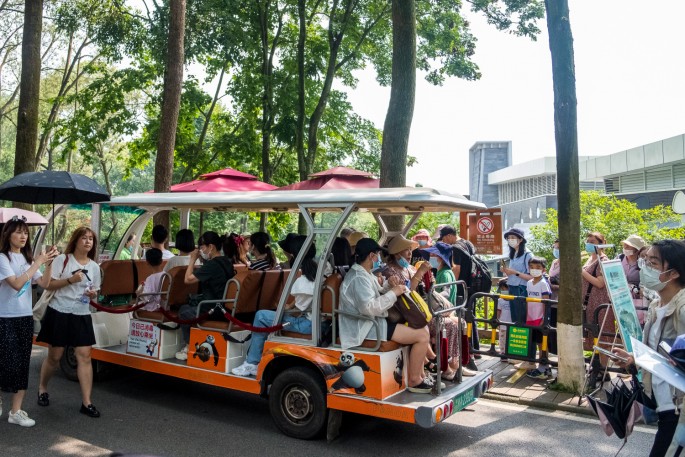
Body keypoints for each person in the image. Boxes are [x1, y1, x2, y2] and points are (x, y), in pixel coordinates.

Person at [613, 239, 685, 457]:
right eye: (645, 260)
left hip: (679, 409)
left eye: (653, 262)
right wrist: (635, 360)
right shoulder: (657, 305)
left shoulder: (683, 308)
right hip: (664, 405)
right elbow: (662, 354)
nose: (645, 267)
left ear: (673, 273)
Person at [339, 238, 432, 394]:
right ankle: (415, 380)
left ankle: (419, 375)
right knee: (422, 335)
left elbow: (377, 291)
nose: (379, 259)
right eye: (378, 255)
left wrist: (389, 285)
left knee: (421, 328)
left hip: (374, 322)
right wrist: (393, 292)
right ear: (371, 256)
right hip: (365, 327)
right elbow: (369, 308)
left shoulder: (364, 274)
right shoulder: (358, 278)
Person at [37, 227, 102, 418]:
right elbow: (49, 284)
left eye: (91, 239)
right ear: (75, 240)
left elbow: (95, 290)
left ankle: (86, 402)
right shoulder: (62, 260)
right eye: (84, 238)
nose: (88, 242)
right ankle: (42, 388)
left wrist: (93, 293)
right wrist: (71, 280)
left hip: (81, 313)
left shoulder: (94, 267)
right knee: (55, 357)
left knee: (85, 356)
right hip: (59, 312)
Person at [0, 217, 57, 427]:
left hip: (24, 317)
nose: (23, 236)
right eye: (18, 232)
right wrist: (38, 263)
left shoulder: (27, 259)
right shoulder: (2, 258)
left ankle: (16, 411)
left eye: (25, 232)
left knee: (22, 363)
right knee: (7, 362)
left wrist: (48, 264)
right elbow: (15, 284)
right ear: (7, 235)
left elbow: (45, 283)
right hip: (4, 317)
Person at [232, 236, 316, 377]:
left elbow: (297, 312)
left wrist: (284, 309)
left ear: (294, 254)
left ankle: (252, 362)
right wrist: (288, 306)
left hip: (307, 323)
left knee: (261, 316)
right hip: (314, 319)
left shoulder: (304, 281)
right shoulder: (317, 273)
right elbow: (304, 302)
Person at [175, 232, 236, 361]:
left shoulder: (212, 265)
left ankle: (188, 346)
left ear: (211, 247)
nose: (201, 251)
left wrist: (192, 259)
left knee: (184, 311)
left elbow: (187, 279)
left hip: (214, 308)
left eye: (202, 248)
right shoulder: (227, 262)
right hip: (224, 306)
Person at [423, 241, 478, 379]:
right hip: (445, 311)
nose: (431, 258)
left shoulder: (445, 274)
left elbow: (446, 292)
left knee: (456, 324)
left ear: (439, 257)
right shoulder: (444, 272)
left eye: (434, 255)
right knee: (457, 324)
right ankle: (456, 363)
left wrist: (432, 296)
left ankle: (454, 363)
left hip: (443, 311)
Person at [435, 224, 481, 366]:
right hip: (471, 287)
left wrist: (451, 284)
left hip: (461, 289)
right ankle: (473, 350)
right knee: (469, 318)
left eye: (442, 239)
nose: (442, 242)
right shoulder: (467, 243)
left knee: (461, 320)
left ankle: (465, 355)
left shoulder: (455, 248)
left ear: (449, 236)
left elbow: (457, 269)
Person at [582, 231, 613, 362]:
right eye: (587, 242)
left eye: (592, 242)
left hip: (599, 303)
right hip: (589, 303)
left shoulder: (603, 260)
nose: (589, 244)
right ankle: (597, 367)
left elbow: (600, 283)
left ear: (601, 244)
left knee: (602, 336)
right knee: (593, 335)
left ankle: (604, 368)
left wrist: (582, 272)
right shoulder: (591, 258)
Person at [524, 256, 553, 380]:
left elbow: (547, 302)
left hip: (540, 318)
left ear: (543, 270)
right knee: (537, 342)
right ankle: (543, 367)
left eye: (538, 268)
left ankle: (544, 367)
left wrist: (544, 318)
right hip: (531, 317)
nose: (534, 270)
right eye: (532, 267)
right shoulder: (529, 283)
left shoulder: (543, 284)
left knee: (543, 343)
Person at [620, 234, 647, 325]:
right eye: (625, 244)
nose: (625, 246)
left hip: (638, 303)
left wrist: (633, 288)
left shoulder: (644, 263)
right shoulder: (619, 259)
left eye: (629, 245)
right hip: (620, 301)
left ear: (637, 249)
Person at [496, 279, 514, 363]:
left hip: (512, 323)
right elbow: (498, 311)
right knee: (502, 339)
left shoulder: (514, 300)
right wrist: (497, 320)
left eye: (506, 289)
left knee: (511, 339)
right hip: (502, 323)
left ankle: (510, 353)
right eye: (502, 289)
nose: (504, 291)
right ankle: (503, 354)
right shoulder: (500, 300)